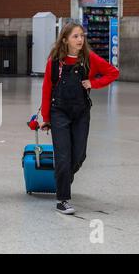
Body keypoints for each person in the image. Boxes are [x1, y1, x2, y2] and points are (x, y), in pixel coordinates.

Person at [39, 22, 119, 215]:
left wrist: (94, 83)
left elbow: (113, 72)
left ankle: (63, 178)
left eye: (82, 36)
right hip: (59, 112)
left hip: (81, 112)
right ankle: (63, 199)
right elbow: (47, 89)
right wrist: (45, 117)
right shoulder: (55, 61)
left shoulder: (89, 59)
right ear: (65, 40)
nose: (80, 39)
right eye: (75, 36)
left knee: (79, 155)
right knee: (63, 156)